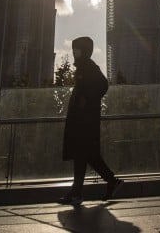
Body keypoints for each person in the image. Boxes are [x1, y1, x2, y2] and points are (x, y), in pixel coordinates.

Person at [58, 36, 123, 206]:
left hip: (85, 121)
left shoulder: (88, 66)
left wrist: (86, 99)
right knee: (87, 155)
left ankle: (77, 192)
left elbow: (103, 84)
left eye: (77, 49)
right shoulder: (83, 67)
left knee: (83, 153)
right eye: (74, 49)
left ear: (84, 50)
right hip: (83, 120)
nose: (74, 52)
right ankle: (108, 182)